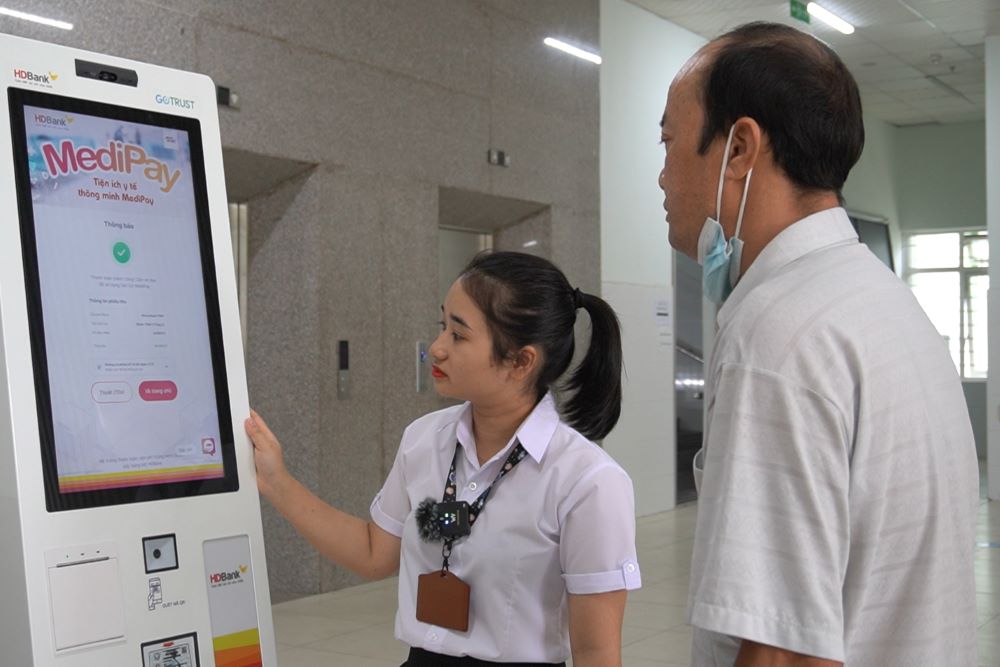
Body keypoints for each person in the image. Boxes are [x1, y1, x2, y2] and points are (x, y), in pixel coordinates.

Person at [657, 21, 979, 667]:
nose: (662, 179)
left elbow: (781, 648)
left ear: (740, 148)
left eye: (667, 143)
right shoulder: (881, 299)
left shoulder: (777, 337)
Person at [246, 251, 641, 667]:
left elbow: (596, 652)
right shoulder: (424, 440)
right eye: (441, 326)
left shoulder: (588, 481)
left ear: (521, 361)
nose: (435, 348)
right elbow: (372, 551)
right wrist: (277, 482)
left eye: (458, 334)